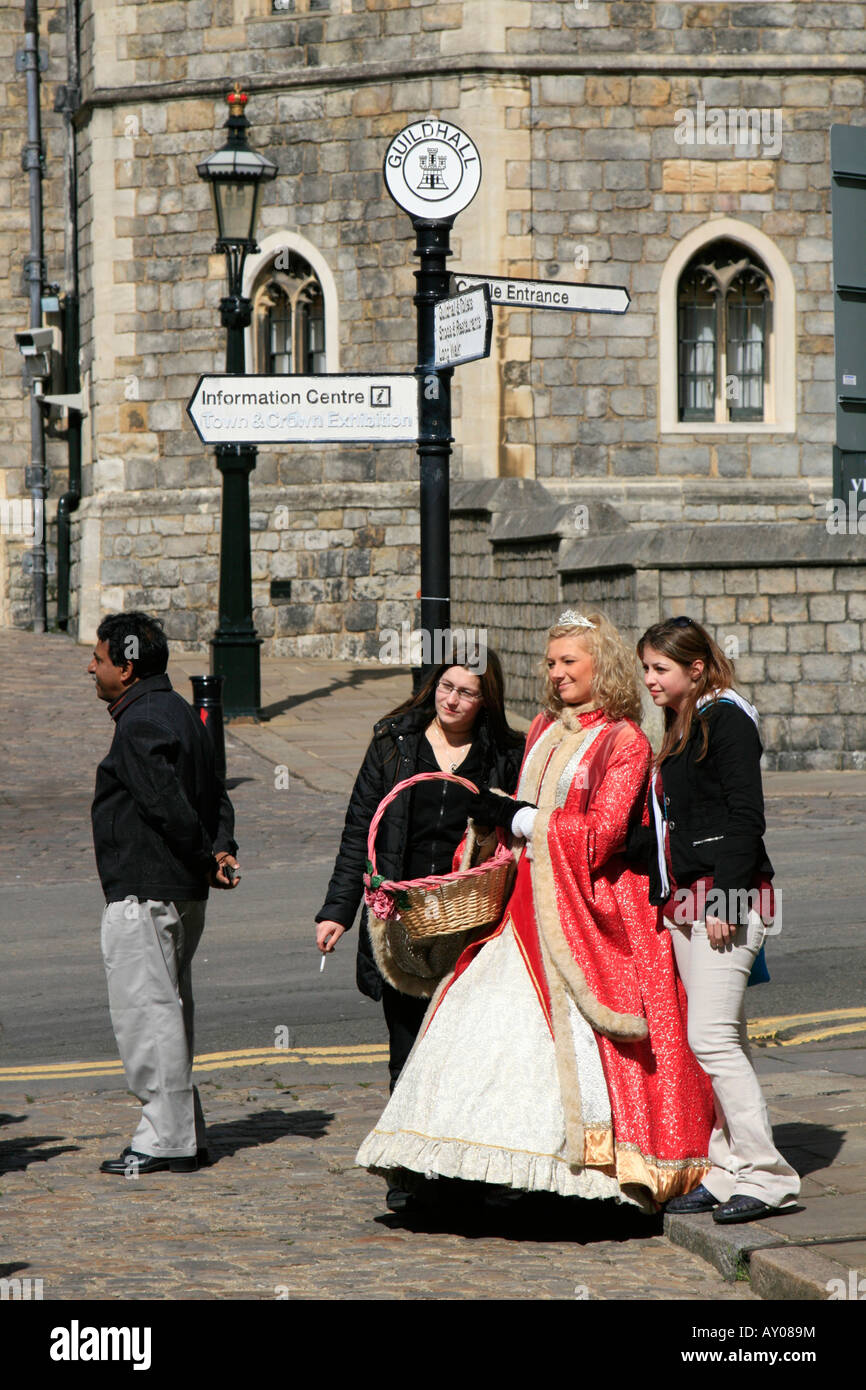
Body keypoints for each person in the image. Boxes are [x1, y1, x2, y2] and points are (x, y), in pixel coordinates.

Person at [356, 613, 714, 1211]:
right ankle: (454, 1172)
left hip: (584, 910)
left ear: (601, 663)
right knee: (481, 1021)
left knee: (563, 1043)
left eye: (568, 661)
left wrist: (524, 818)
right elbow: (519, 815)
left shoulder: (624, 739)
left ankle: (574, 1174)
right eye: (551, 663)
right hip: (520, 907)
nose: (556, 672)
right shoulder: (545, 725)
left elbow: (603, 837)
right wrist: (496, 825)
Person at [633, 617, 800, 1224]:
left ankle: (768, 1176)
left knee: (711, 1038)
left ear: (696, 669)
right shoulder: (684, 721)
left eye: (661, 669)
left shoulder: (726, 718)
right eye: (646, 668)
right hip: (687, 901)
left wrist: (727, 899)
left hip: (726, 902)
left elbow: (744, 817)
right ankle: (728, 1170)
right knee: (725, 1037)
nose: (650, 680)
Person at [315, 651, 525, 1095]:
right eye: (445, 687)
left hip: (471, 917)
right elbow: (359, 829)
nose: (451, 700)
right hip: (402, 915)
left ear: (486, 700)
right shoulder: (394, 743)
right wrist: (337, 910)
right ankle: (404, 1159)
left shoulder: (506, 755)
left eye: (466, 692)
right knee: (406, 1048)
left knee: (461, 1048)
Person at [88, 611, 239, 1176]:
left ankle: (162, 1138)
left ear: (126, 668)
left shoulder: (140, 723)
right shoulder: (178, 710)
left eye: (99, 659)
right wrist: (220, 850)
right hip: (179, 890)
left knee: (146, 1014)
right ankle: (182, 1131)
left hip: (146, 891)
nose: (92, 667)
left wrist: (207, 854)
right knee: (169, 1013)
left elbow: (166, 804)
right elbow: (216, 795)